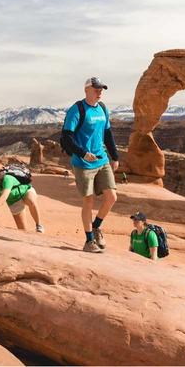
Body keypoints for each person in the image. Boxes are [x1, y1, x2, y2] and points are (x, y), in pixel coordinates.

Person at [61, 77, 119, 253]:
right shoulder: (77, 109)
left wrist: (115, 156)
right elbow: (66, 137)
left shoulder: (102, 108)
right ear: (87, 90)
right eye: (96, 89)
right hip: (83, 163)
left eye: (101, 89)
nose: (99, 92)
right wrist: (83, 153)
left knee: (112, 197)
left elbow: (107, 134)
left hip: (101, 160)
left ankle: (96, 226)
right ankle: (89, 241)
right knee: (89, 201)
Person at [0, 167, 44, 232]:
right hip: (13, 201)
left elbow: (3, 198)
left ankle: (39, 225)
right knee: (23, 230)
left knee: (31, 201)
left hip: (25, 192)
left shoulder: (7, 179)